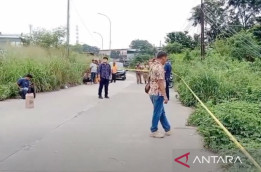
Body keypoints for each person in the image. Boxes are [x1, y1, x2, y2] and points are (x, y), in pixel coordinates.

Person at [149, 51, 171, 138]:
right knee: (157, 112)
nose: (166, 60)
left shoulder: (152, 65)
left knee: (161, 112)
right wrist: (165, 95)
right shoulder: (160, 67)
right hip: (158, 93)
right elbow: (161, 82)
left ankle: (167, 128)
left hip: (152, 92)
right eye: (166, 58)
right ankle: (154, 130)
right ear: (163, 58)